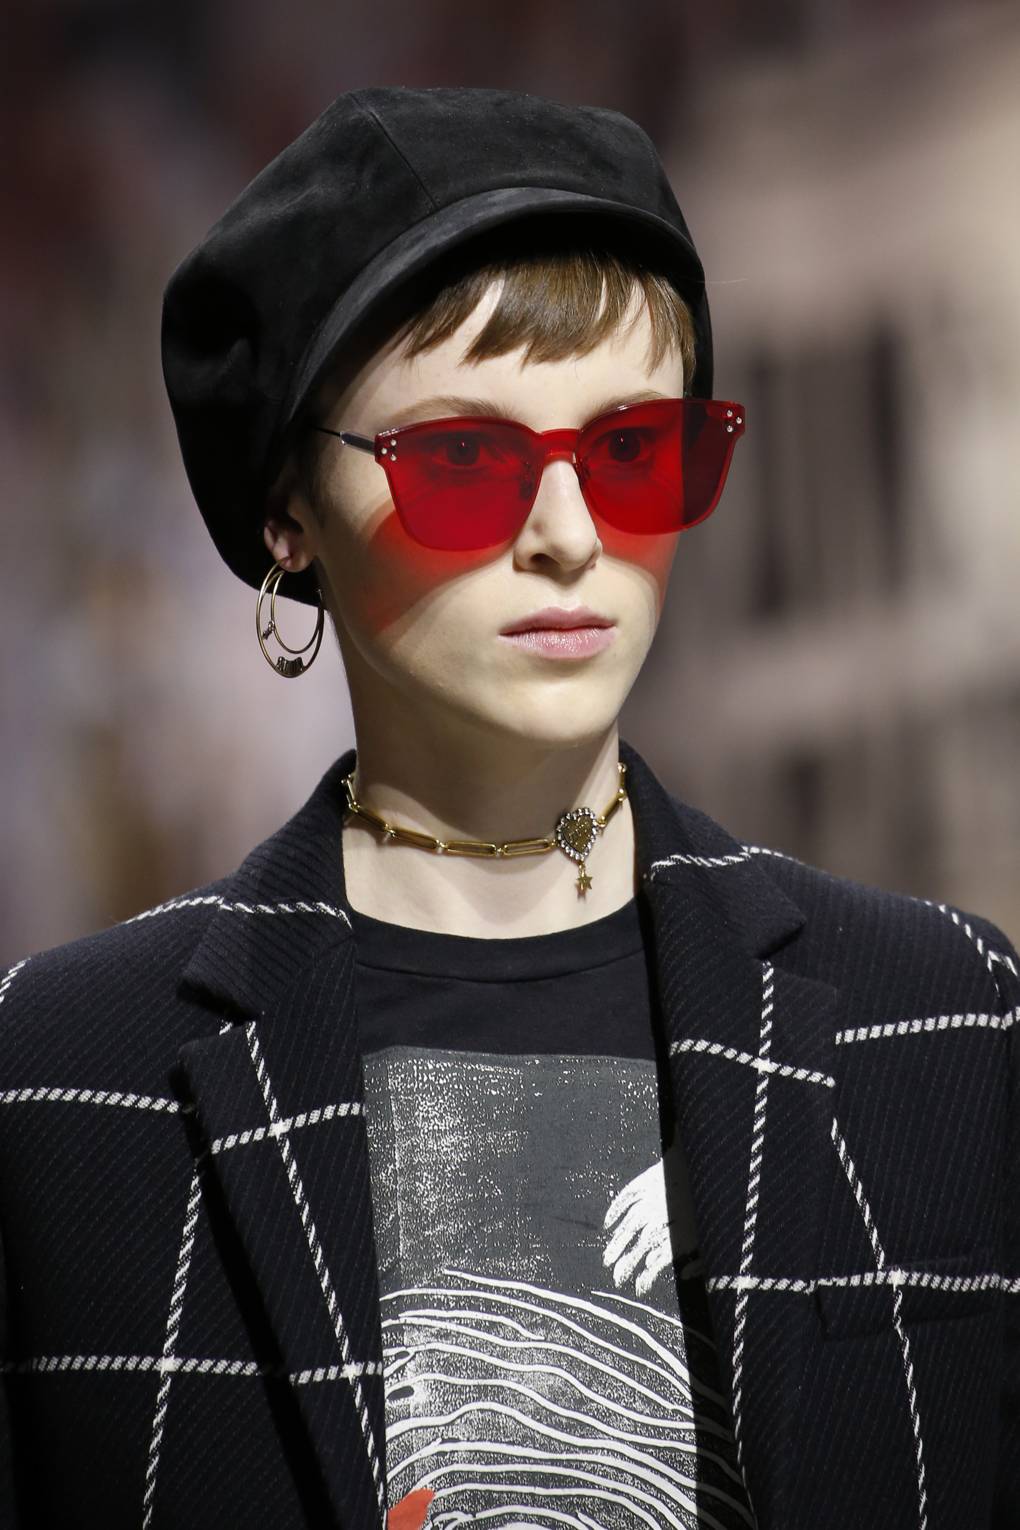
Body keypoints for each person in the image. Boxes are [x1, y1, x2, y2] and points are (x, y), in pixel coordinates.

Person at [0, 85, 1015, 1530]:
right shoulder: (59, 1081)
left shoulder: (948, 1022)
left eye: (634, 451)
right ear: (289, 510)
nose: (569, 535)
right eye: (463, 462)